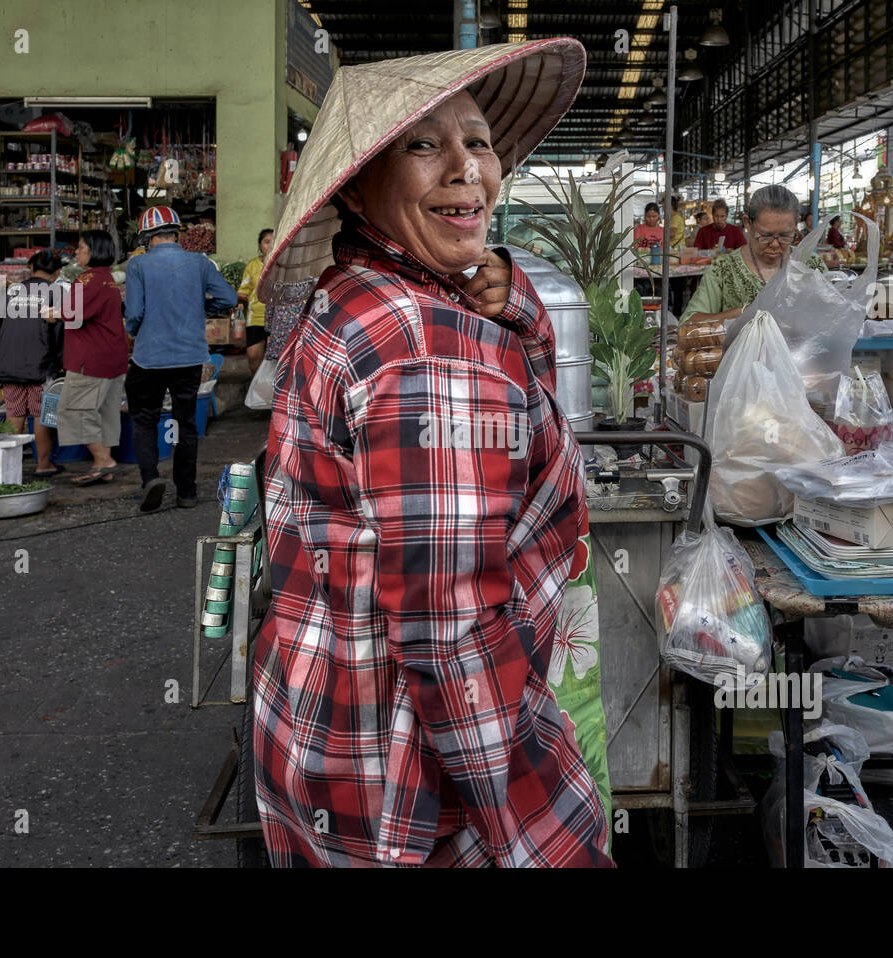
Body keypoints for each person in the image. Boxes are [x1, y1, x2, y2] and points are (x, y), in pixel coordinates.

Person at [251, 37, 612, 868]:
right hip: (407, 780)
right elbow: (455, 639)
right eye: (423, 144)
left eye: (479, 142)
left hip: (320, 735)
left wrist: (507, 303)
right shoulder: (426, 341)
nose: (466, 169)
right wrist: (554, 838)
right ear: (362, 184)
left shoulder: (358, 296)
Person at [124, 206, 237, 511]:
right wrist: (200, 309)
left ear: (147, 237)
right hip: (190, 356)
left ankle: (150, 479)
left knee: (145, 420)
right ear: (176, 233)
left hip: (149, 358)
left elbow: (133, 314)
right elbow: (228, 298)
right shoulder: (199, 263)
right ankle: (186, 492)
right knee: (185, 424)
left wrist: (135, 330)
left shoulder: (138, 266)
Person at [46, 231, 128, 487]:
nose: (77, 252)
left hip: (90, 359)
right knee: (104, 412)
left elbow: (73, 314)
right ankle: (102, 463)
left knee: (75, 410)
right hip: (112, 356)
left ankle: (104, 460)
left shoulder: (87, 280)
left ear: (94, 251)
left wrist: (54, 313)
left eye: (81, 248)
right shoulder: (108, 280)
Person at [681, 184, 825, 327]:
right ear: (747, 223)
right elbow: (687, 325)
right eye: (765, 235)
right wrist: (742, 314)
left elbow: (836, 316)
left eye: (785, 235)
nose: (775, 244)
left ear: (795, 225)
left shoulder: (811, 265)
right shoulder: (723, 271)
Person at [0, 250, 64, 477]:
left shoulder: (11, 291)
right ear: (58, 273)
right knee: (41, 414)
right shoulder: (57, 292)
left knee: (14, 414)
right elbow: (61, 331)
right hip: (40, 366)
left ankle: (10, 469)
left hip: (9, 365)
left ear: (31, 269)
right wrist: (62, 363)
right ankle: (44, 464)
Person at [236, 228, 274, 374]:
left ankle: (271, 392)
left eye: (273, 242)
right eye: (266, 242)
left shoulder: (282, 264)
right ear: (260, 245)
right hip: (256, 318)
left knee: (274, 358)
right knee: (253, 356)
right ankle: (256, 389)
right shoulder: (252, 265)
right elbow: (243, 293)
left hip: (277, 319)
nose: (269, 246)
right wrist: (237, 324)